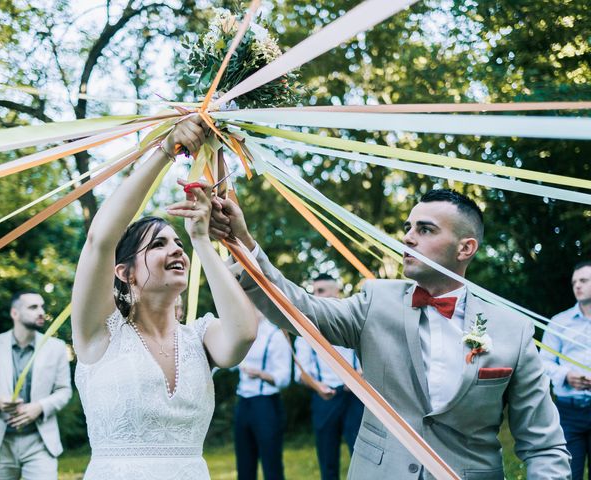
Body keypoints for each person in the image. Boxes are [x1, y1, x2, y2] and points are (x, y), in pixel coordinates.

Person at [210, 188, 571, 479]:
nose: (407, 238)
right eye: (408, 227)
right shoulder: (375, 302)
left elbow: (543, 445)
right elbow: (302, 309)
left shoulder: (513, 330)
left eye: (425, 229)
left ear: (465, 248)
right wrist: (242, 242)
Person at [71, 115, 258, 480]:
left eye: (177, 243)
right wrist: (166, 149)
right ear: (125, 273)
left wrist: (202, 240)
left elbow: (244, 334)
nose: (176, 250)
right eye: (158, 244)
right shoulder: (99, 334)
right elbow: (99, 242)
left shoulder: (199, 338)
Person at [0, 291, 72, 480]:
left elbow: (64, 391)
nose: (41, 312)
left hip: (40, 443)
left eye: (42, 306)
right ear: (14, 313)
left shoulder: (56, 347)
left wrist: (39, 407)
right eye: (33, 307)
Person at [294, 273, 363, 480]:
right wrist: (317, 387)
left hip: (355, 398)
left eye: (321, 291)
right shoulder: (307, 328)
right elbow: (301, 371)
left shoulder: (354, 318)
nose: (316, 295)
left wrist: (360, 377)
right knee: (327, 457)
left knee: (361, 454)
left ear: (337, 291)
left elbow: (370, 356)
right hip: (325, 397)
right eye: (314, 292)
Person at [540, 261, 591, 480]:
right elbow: (543, 362)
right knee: (569, 473)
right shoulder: (559, 322)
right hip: (568, 412)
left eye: (583, 280)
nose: (577, 286)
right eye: (574, 282)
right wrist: (566, 376)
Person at [234, 310, 292, 480]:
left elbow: (284, 378)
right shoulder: (240, 332)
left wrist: (260, 374)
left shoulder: (275, 336)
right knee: (244, 463)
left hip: (266, 404)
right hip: (243, 403)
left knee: (271, 462)